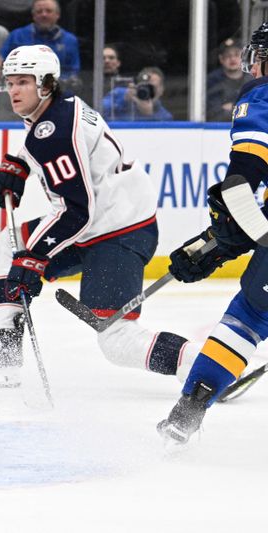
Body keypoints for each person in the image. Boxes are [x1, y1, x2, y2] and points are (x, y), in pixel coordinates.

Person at [0, 45, 196, 388]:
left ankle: (205, 365)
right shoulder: (60, 106)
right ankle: (5, 355)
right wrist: (20, 163)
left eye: (23, 82)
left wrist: (33, 258)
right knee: (6, 244)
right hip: (105, 221)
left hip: (118, 232)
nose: (13, 91)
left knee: (117, 340)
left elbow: (76, 212)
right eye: (10, 82)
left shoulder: (55, 132)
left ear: (45, 84)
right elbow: (54, 148)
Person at [157, 23, 268, 445]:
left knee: (250, 317)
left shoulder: (262, 95)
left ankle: (186, 415)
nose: (253, 66)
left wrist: (221, 237)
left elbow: (245, 177)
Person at [0, 0, 80, 82]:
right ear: (33, 15)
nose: (44, 14)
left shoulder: (69, 40)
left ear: (57, 15)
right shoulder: (16, 36)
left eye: (48, 11)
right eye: (39, 11)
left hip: (57, 90)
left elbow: (73, 72)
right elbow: (3, 65)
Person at [101, 66, 173, 122]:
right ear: (137, 85)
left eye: (152, 88)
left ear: (161, 90)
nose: (147, 91)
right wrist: (123, 101)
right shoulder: (118, 94)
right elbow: (98, 113)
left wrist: (149, 116)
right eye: (144, 86)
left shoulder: (165, 116)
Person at [206, 38, 253, 122]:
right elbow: (212, 113)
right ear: (221, 59)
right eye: (228, 56)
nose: (232, 59)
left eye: (236, 54)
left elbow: (254, 111)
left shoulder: (252, 80)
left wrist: (231, 107)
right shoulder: (212, 81)